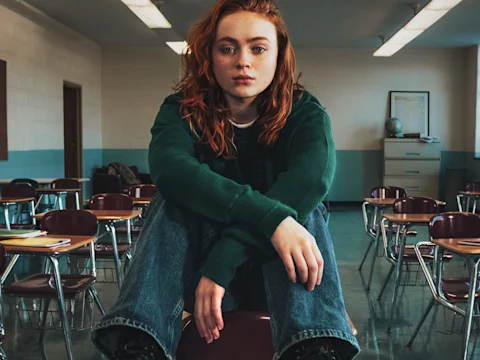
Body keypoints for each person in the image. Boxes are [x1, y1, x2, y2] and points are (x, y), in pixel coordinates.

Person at [92, 0, 360, 359]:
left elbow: (311, 181)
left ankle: (313, 347)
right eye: (227, 47)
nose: (243, 61)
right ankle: (140, 344)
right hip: (196, 268)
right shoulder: (179, 110)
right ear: (210, 56)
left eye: (258, 48)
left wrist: (228, 259)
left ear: (279, 56)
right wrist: (270, 218)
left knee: (302, 215)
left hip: (277, 273)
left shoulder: (306, 113)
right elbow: (172, 171)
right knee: (171, 199)